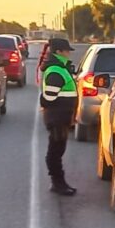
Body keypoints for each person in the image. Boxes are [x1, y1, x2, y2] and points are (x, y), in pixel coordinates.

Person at [39, 38, 78, 196]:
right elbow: (48, 97)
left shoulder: (60, 68)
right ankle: (57, 183)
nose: (69, 53)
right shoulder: (55, 70)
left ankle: (59, 182)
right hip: (57, 118)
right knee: (55, 151)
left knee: (57, 150)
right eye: (67, 50)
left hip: (60, 117)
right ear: (59, 52)